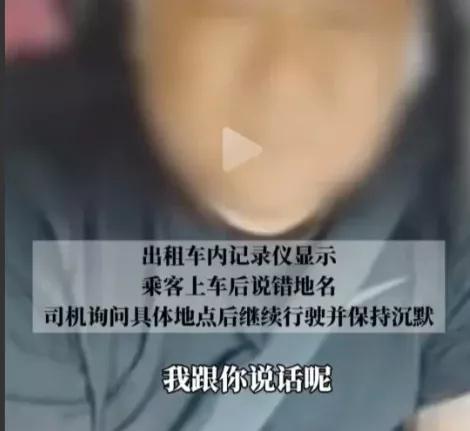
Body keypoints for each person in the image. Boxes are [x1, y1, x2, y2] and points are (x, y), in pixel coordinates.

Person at [5, 1, 469, 430]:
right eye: (232, 11)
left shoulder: (442, 195)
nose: (285, 77)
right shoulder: (37, 216)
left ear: (410, 54)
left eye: (344, 20)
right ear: (142, 26)